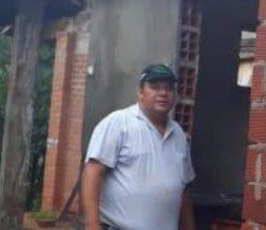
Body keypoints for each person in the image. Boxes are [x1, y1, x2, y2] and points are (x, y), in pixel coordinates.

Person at [80, 64, 197, 230]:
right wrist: (92, 226)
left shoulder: (178, 134)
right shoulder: (119, 123)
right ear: (140, 92)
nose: (163, 93)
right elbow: (92, 172)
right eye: (154, 87)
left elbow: (184, 189)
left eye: (168, 88)